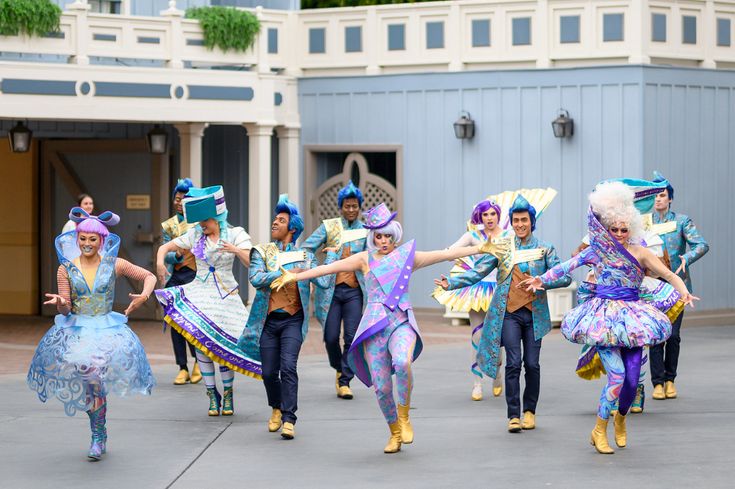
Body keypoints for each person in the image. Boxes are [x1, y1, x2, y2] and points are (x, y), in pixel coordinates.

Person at [272, 203, 490, 453]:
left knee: (403, 362)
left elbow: (445, 254)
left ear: (395, 235)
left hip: (401, 322)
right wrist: (295, 276)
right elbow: (327, 268)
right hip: (374, 327)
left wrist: (481, 247)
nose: (384, 240)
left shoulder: (408, 255)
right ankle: (394, 431)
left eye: (388, 235)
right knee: (383, 387)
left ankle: (405, 416)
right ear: (372, 237)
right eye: (379, 236)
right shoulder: (364, 259)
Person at [520, 181, 697, 454]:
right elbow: (567, 266)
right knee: (616, 376)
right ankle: (599, 429)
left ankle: (621, 420)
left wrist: (683, 291)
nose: (619, 233)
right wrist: (540, 280)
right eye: (613, 229)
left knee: (632, 378)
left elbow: (670, 275)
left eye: (624, 229)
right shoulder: (597, 251)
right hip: (603, 319)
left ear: (632, 228)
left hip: (633, 318)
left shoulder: (641, 253)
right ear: (606, 228)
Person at [27, 207, 156, 461]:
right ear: (77, 239)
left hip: (107, 330)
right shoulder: (65, 269)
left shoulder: (114, 264)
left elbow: (148, 275)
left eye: (92, 239)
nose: (87, 243)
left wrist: (144, 295)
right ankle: (99, 431)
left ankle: (98, 435)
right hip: (78, 330)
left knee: (94, 379)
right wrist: (61, 303)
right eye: (83, 238)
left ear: (102, 240)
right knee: (91, 381)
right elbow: (65, 305)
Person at [436, 194, 570, 434]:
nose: (520, 224)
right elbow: (477, 272)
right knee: (513, 363)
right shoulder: (501, 248)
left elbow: (565, 276)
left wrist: (543, 282)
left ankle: (530, 411)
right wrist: (451, 283)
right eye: (516, 220)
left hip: (534, 316)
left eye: (524, 220)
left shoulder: (544, 249)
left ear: (532, 221)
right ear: (511, 222)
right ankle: (514, 415)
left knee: (532, 364)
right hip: (509, 314)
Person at [155, 185, 259, 418]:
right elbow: (166, 246)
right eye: (200, 221)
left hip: (225, 295)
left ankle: (229, 393)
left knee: (220, 348)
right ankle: (212, 394)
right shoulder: (195, 234)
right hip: (200, 293)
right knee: (202, 344)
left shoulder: (236, 234)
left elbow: (251, 260)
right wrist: (161, 261)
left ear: (217, 218)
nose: (202, 224)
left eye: (206, 220)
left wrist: (234, 249)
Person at [237, 195, 332, 440]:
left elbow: (323, 282)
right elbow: (256, 279)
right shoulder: (262, 251)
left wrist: (331, 257)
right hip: (268, 322)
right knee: (269, 373)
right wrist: (286, 273)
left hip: (292, 320)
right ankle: (276, 407)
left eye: (281, 220)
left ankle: (289, 418)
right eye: (275, 219)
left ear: (292, 228)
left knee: (288, 367)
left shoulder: (305, 256)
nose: (274, 223)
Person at [433, 199, 505, 401]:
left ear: (498, 215)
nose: (489, 218)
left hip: (499, 289)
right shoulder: (472, 236)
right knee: (477, 336)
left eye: (492, 214)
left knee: (498, 337)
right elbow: (451, 251)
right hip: (477, 288)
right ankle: (477, 383)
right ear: (479, 217)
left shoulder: (508, 236)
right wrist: (451, 253)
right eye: (485, 214)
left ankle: (497, 374)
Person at [302, 180, 367, 399]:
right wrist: (318, 268)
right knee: (330, 337)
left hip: (354, 292)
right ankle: (339, 367)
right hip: (330, 291)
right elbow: (307, 248)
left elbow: (375, 256)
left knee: (351, 337)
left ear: (359, 206)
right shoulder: (329, 227)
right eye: (347, 206)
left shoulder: (366, 231)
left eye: (354, 205)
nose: (351, 209)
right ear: (340, 207)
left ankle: (345, 380)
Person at [649, 171, 709, 400]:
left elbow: (702, 245)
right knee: (656, 334)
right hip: (652, 286)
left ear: (670, 198)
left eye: (662, 195)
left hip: (677, 285)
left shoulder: (682, 221)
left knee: (673, 335)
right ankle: (656, 382)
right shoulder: (645, 222)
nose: (659, 199)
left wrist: (687, 258)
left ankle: (670, 378)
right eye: (655, 196)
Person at [161, 178, 201, 385]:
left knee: (192, 322)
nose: (179, 202)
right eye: (176, 199)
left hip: (195, 276)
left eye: (183, 199)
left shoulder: (199, 222)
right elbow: (164, 252)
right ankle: (182, 366)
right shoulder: (168, 225)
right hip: (176, 276)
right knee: (175, 322)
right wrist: (175, 256)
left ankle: (198, 362)